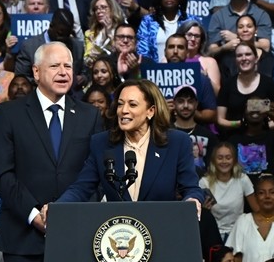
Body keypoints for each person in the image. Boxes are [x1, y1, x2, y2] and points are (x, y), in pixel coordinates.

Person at [0, 42, 102, 262]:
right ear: (36, 72)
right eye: (55, 66)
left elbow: (95, 176)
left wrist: (68, 215)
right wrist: (34, 215)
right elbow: (2, 173)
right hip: (23, 239)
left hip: (77, 239)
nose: (63, 72)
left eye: (68, 66)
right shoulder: (8, 114)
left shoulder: (90, 116)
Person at [52, 79, 205, 207]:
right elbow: (81, 188)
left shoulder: (177, 143)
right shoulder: (101, 143)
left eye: (132, 104)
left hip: (160, 228)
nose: (123, 110)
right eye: (120, 104)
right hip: (119, 230)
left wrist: (193, 200)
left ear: (150, 111)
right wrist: (57, 207)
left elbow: (191, 188)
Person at [226, 174, 274, 262]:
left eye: (272, 192)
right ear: (255, 197)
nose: (267, 196)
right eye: (261, 193)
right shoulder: (243, 221)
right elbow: (234, 261)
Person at [200, 141, 254, 242]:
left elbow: (257, 210)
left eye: (228, 158)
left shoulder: (243, 179)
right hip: (213, 234)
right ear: (214, 160)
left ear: (234, 160)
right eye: (220, 158)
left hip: (238, 233)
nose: (224, 161)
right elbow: (197, 215)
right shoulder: (204, 182)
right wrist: (204, 210)